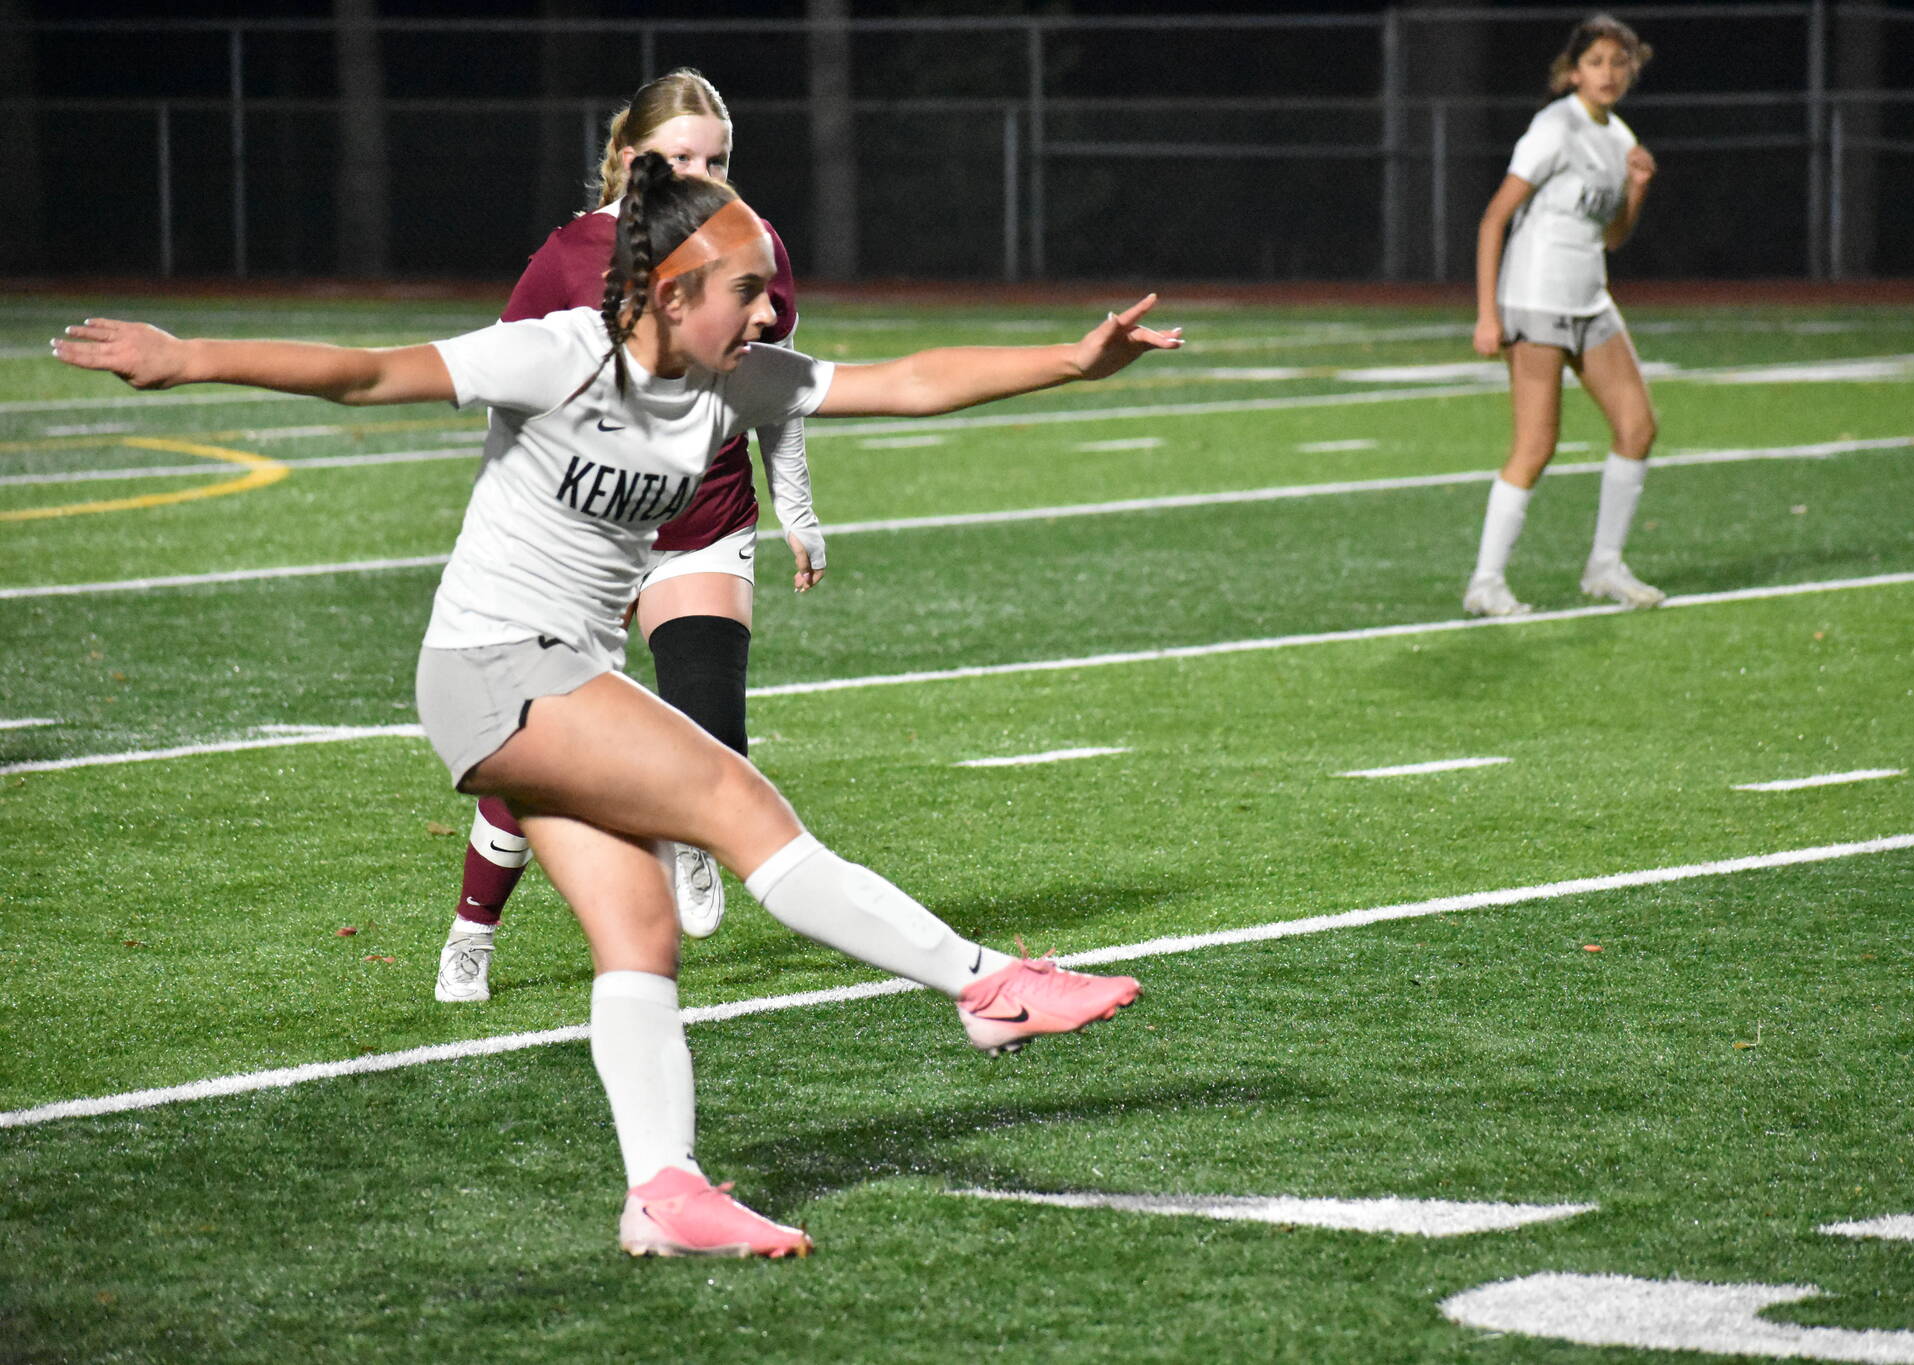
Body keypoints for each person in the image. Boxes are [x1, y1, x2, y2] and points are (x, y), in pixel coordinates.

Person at [54, 160, 1177, 1259]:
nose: (769, 310)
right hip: (492, 668)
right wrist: (187, 357)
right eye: (748, 289)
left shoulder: (734, 379)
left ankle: (663, 1193)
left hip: (557, 673)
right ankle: (984, 983)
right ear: (672, 294)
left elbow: (913, 381)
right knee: (738, 801)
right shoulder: (559, 356)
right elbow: (365, 373)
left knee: (640, 931)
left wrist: (1074, 361)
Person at [440, 67, 809, 1006]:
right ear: (630, 157)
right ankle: (473, 930)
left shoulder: (752, 243)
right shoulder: (570, 256)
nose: (703, 176)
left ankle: (684, 832)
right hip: (590, 535)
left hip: (700, 518)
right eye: (681, 158)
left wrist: (797, 508)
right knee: (538, 751)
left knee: (713, 725)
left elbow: (778, 389)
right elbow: (509, 384)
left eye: (716, 160)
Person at [1465, 12, 1662, 617]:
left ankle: (1605, 566)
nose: (1609, 73)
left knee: (1637, 428)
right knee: (1536, 445)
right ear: (1573, 71)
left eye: (1619, 62)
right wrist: (1487, 314)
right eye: (1596, 62)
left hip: (1590, 299)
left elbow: (1612, 237)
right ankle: (1486, 583)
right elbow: (1493, 219)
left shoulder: (1620, 137)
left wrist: (1636, 191)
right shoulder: (1554, 127)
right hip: (1536, 299)